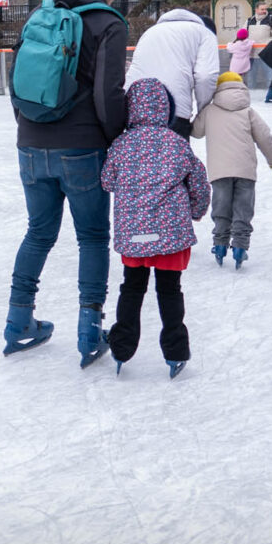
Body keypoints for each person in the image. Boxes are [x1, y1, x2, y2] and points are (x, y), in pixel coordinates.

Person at [3, 0, 129, 366]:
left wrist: (28, 126)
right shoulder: (108, 23)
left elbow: (15, 79)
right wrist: (114, 142)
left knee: (38, 232)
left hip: (30, 143)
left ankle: (18, 322)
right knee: (92, 237)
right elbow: (108, 97)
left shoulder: (42, 12)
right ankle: (89, 331)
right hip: (81, 148)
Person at [99, 78, 210, 378]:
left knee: (132, 289)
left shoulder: (121, 145)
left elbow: (107, 181)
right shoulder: (176, 143)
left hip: (133, 234)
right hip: (171, 235)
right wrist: (197, 210)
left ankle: (122, 348)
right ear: (166, 109)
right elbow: (198, 181)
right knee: (169, 291)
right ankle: (175, 352)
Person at [192, 71, 272, 267]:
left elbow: (196, 132)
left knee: (221, 207)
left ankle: (219, 244)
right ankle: (241, 247)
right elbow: (265, 137)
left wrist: (200, 112)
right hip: (245, 170)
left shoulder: (210, 110)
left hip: (219, 170)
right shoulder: (248, 111)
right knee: (243, 209)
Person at [124, 6, 220, 136]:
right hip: (175, 110)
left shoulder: (150, 32)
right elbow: (206, 76)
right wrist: (202, 110)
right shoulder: (205, 33)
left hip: (138, 108)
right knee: (174, 154)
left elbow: (136, 69)